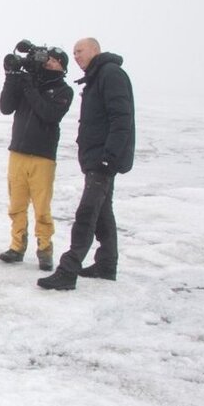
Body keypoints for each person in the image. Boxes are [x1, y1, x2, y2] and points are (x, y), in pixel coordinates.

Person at [38, 38, 135, 291]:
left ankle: (68, 270)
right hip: (98, 157)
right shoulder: (98, 76)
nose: (77, 56)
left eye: (80, 51)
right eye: (74, 53)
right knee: (103, 212)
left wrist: (108, 157)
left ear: (95, 50)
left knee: (87, 213)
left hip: (103, 160)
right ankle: (106, 263)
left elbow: (121, 118)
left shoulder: (110, 74)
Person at [0, 44, 74, 271]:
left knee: (42, 208)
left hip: (43, 157)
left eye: (54, 61)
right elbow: (5, 107)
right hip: (18, 152)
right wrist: (11, 77)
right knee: (17, 205)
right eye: (46, 59)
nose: (48, 63)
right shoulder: (27, 82)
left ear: (62, 67)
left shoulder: (63, 90)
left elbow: (49, 114)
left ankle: (45, 249)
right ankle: (17, 246)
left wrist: (30, 86)